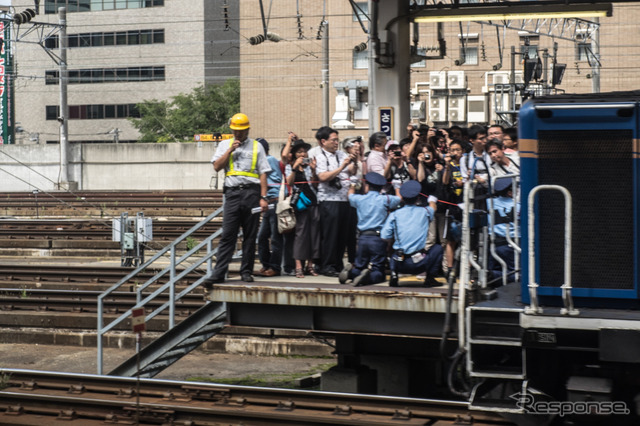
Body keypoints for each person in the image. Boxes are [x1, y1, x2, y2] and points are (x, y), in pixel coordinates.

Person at [204, 113, 271, 287]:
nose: (238, 134)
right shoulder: (224, 144)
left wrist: (263, 197)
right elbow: (217, 166)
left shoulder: (257, 147)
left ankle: (246, 272)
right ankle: (219, 273)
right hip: (232, 194)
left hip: (252, 193)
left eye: (241, 131)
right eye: (235, 131)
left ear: (248, 129)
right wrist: (229, 151)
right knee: (228, 235)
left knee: (250, 235)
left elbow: (263, 173)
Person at [339, 172, 401, 286]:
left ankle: (352, 274)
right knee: (378, 270)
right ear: (381, 188)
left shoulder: (360, 199)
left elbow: (349, 196)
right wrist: (397, 186)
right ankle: (368, 278)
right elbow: (399, 199)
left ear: (367, 186)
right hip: (378, 238)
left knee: (359, 265)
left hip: (362, 238)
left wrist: (352, 184)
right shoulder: (385, 199)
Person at [381, 180, 443, 287]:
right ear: (418, 198)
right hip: (420, 263)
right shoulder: (425, 212)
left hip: (399, 262)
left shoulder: (394, 215)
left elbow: (384, 236)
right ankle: (430, 278)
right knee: (438, 248)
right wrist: (432, 200)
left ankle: (394, 274)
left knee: (391, 247)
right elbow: (433, 208)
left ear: (403, 199)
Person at [315, 126, 357, 276]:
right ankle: (327, 265)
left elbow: (352, 171)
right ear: (323, 141)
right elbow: (323, 177)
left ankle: (338, 264)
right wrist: (342, 167)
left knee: (342, 234)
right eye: (333, 140)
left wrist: (354, 162)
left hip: (344, 199)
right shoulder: (319, 156)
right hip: (328, 199)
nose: (336, 143)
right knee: (330, 234)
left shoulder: (341, 154)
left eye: (337, 140)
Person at [286, 139, 321, 278]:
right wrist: (295, 167)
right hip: (300, 204)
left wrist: (313, 170)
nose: (302, 154)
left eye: (304, 151)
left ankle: (310, 265)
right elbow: (289, 182)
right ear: (294, 154)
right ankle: (298, 266)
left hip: (313, 201)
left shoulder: (309, 165)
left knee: (314, 234)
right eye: (299, 151)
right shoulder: (291, 166)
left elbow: (316, 185)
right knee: (301, 234)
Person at [256, 138, 287, 277]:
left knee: (275, 237)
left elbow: (268, 180)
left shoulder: (268, 160)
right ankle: (266, 264)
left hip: (274, 202)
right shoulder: (267, 160)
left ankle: (275, 267)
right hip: (268, 203)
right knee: (262, 237)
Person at [488, 179, 519, 284]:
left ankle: (490, 275)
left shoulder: (490, 203)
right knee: (519, 275)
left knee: (492, 273)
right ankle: (493, 275)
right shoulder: (518, 206)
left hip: (494, 245)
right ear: (510, 192)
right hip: (512, 246)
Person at [343, 136, 365, 264]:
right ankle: (352, 259)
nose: (357, 147)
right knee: (350, 231)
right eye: (354, 145)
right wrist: (354, 160)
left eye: (358, 145)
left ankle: (358, 258)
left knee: (358, 229)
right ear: (347, 148)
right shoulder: (345, 159)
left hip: (359, 195)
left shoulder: (361, 162)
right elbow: (351, 171)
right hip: (347, 196)